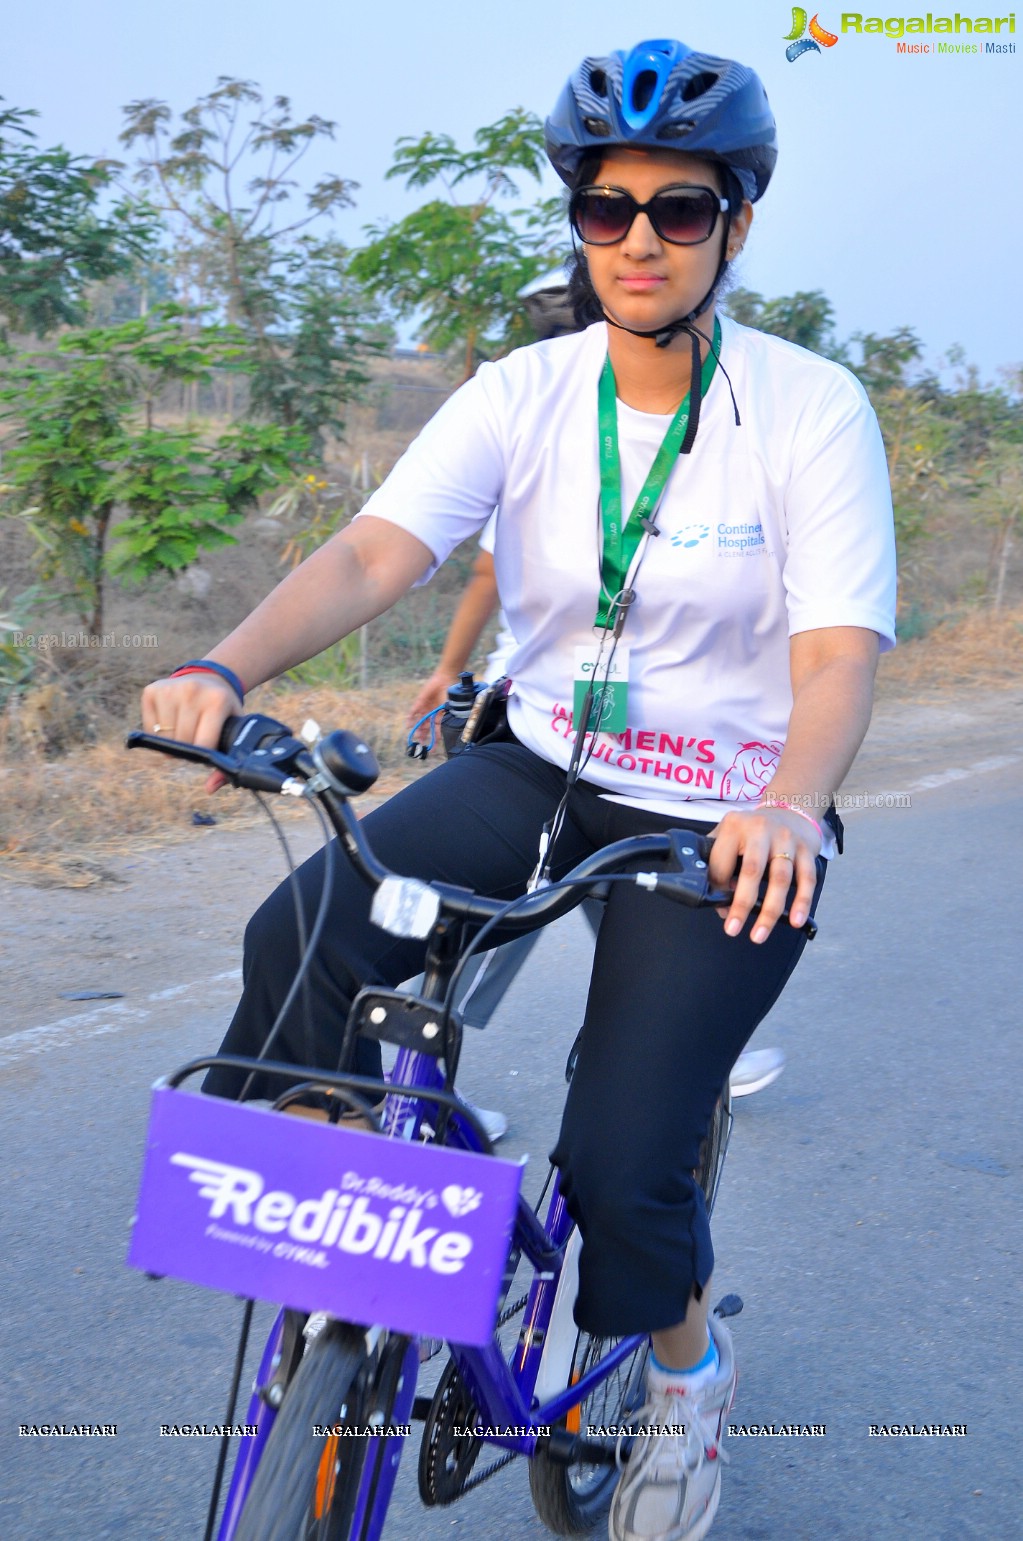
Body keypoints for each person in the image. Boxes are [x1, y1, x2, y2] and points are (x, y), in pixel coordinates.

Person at [142, 37, 896, 1541]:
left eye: (676, 212)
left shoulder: (808, 410)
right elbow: (375, 554)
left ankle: (680, 1376)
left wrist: (787, 803)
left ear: (732, 227)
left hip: (722, 817)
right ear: (575, 220)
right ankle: (353, 1242)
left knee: (624, 1161)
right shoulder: (524, 390)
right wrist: (221, 670)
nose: (635, 241)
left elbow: (833, 661)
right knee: (305, 933)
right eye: (606, 209)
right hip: (536, 767)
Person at [407, 523, 788, 1101]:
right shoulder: (538, 446)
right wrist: (449, 668)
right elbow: (483, 570)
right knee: (521, 895)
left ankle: (677, 1045)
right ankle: (414, 1081)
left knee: (613, 878)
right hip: (547, 715)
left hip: (636, 725)